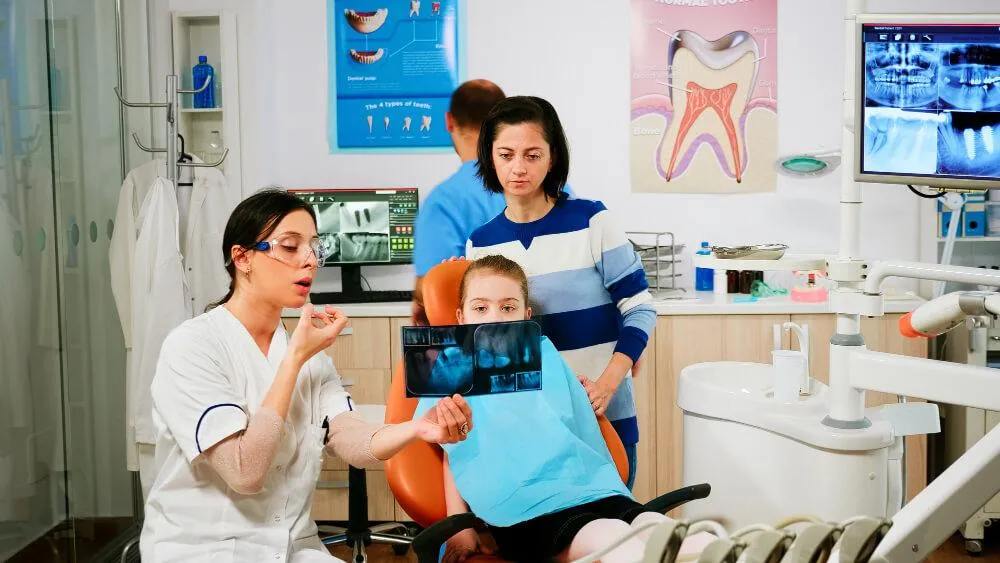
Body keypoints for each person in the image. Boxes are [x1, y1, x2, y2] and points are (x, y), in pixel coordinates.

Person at [139, 189, 474, 563]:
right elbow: (245, 472)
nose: (310, 261)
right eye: (290, 246)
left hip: (292, 547)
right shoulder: (193, 346)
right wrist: (296, 358)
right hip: (206, 550)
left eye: (314, 247)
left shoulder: (305, 354)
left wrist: (418, 428)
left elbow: (352, 441)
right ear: (243, 258)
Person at [414, 256, 708, 562]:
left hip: (587, 487)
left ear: (526, 315)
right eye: (480, 308)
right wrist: (461, 529)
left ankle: (715, 550)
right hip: (524, 507)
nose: (495, 319)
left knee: (652, 524)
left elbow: (576, 427)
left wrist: (584, 395)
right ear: (460, 317)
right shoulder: (452, 371)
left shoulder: (546, 357)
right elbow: (455, 455)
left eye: (508, 307)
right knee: (611, 537)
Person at [465, 96, 655, 490]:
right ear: (490, 158)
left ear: (552, 159)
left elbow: (640, 308)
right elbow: (488, 341)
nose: (518, 167)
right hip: (530, 426)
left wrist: (609, 382)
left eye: (533, 155)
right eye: (506, 154)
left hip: (603, 416)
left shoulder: (591, 220)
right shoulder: (479, 245)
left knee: (609, 539)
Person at [410, 79, 576, 325]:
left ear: (448, 122)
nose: (517, 171)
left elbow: (435, 295)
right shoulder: (555, 188)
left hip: (498, 343)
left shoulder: (443, 202)